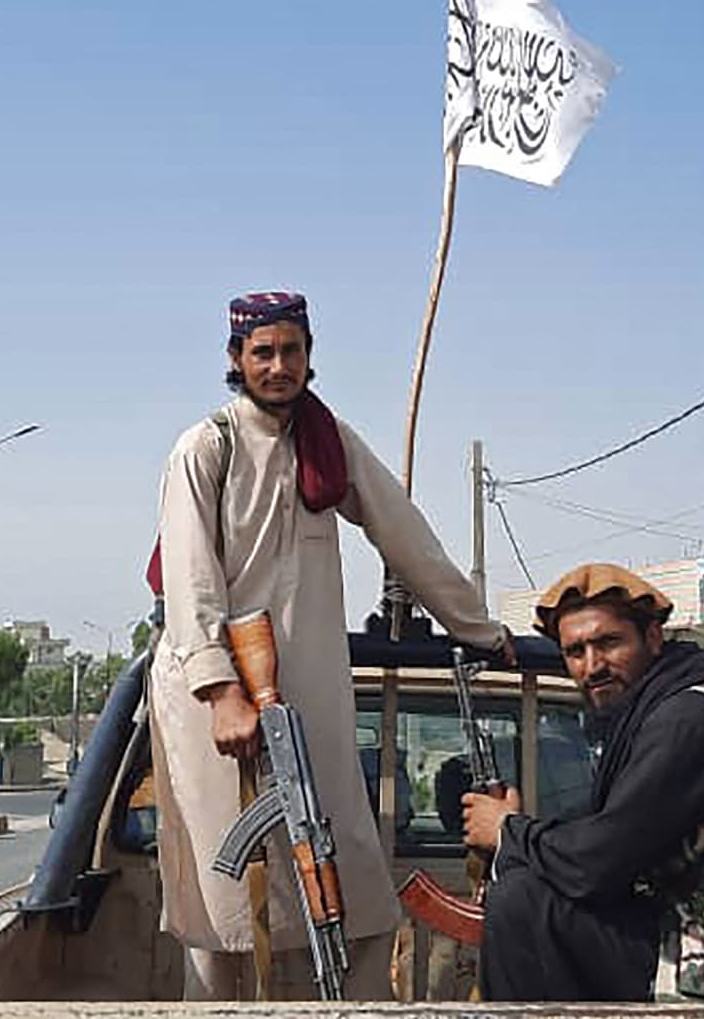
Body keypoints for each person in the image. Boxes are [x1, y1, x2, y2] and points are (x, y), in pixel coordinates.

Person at [148, 290, 512, 1001]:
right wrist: (222, 691)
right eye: (263, 352)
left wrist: (476, 627)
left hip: (309, 698)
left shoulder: (328, 442)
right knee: (223, 910)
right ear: (236, 359)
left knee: (353, 887)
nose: (278, 366)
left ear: (310, 357)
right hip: (213, 705)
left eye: (291, 351)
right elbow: (190, 587)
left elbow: (406, 535)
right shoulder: (206, 448)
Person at [463, 563, 704, 1003]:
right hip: (695, 925)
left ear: (654, 639)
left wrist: (508, 831)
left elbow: (600, 861)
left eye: (609, 643)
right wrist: (517, 838)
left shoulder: (691, 718)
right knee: (530, 888)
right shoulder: (647, 717)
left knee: (522, 903)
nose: (592, 665)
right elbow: (604, 836)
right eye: (575, 651)